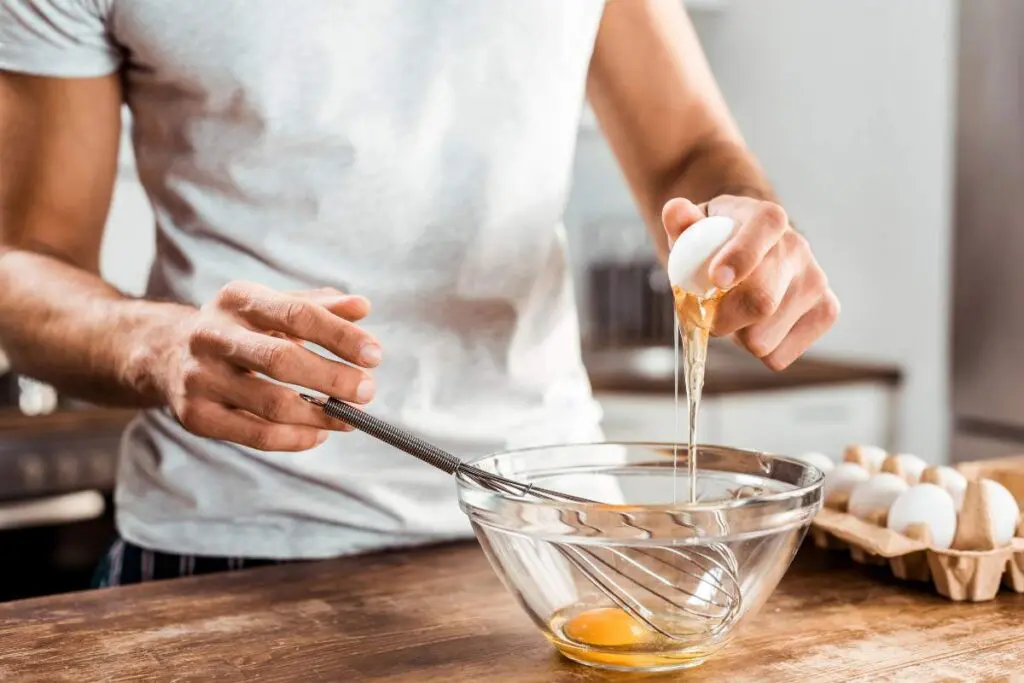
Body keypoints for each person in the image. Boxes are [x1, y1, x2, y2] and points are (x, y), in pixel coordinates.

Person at [0, 0, 838, 586]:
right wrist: (158, 345)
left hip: (555, 530)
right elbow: (27, 260)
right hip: (226, 538)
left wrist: (738, 228)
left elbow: (687, 148)